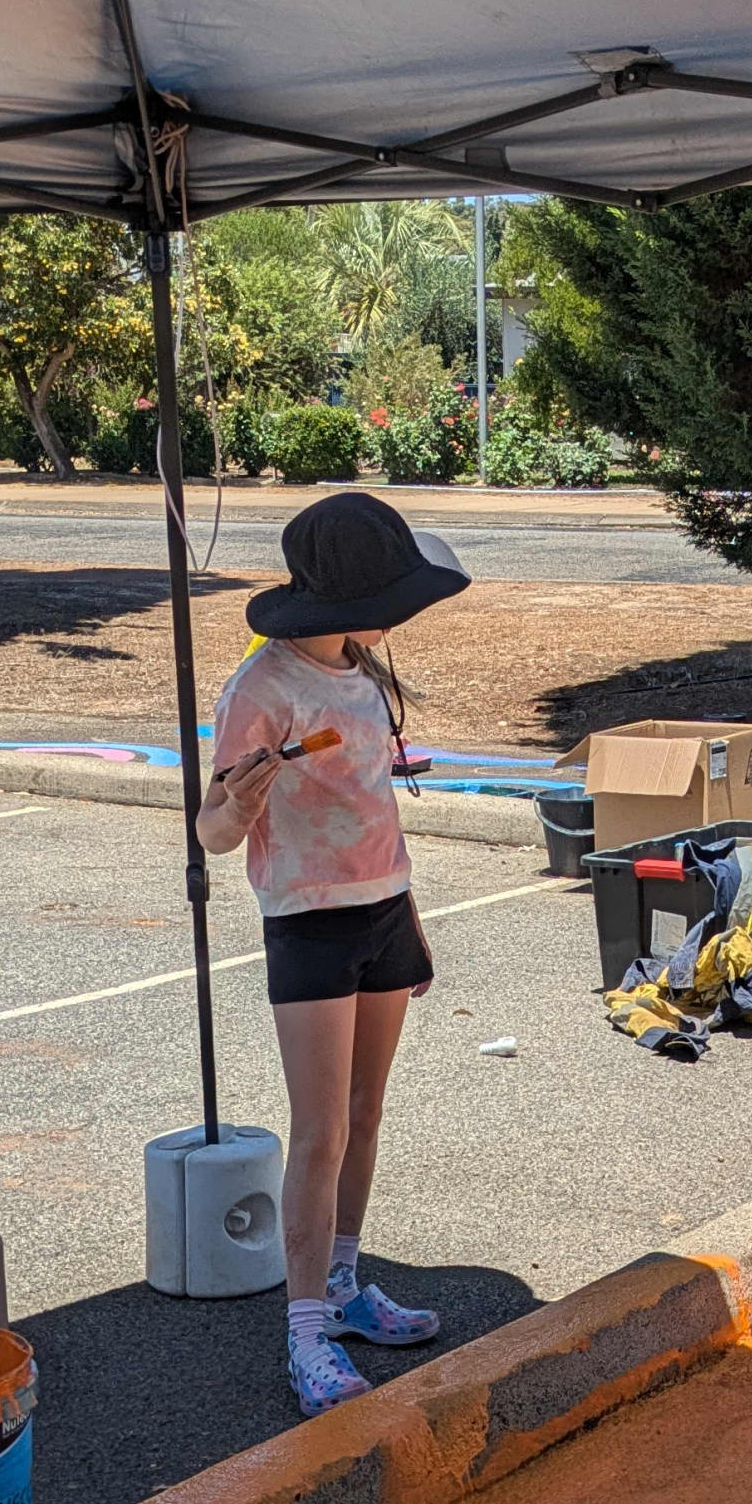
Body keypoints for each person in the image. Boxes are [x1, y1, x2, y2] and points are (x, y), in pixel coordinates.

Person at [197, 490, 460, 1414]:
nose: (400, 611)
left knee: (365, 1112)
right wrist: (241, 800)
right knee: (319, 1131)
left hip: (385, 908)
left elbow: (375, 807)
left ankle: (346, 1286)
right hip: (308, 919)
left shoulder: (362, 667)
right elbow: (214, 831)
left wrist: (411, 920)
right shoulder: (260, 689)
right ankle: (305, 1329)